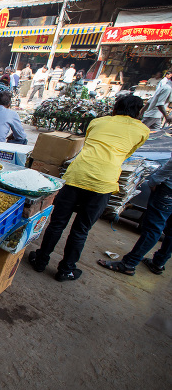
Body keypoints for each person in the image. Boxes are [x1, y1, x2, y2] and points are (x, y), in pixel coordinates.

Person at [28, 95, 149, 282]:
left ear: (115, 108)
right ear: (139, 112)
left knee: (57, 223)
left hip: (77, 175)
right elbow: (126, 153)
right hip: (102, 183)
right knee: (81, 230)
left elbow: (90, 143)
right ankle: (66, 270)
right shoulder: (142, 130)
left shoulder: (97, 122)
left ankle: (40, 261)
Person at [98, 158, 172, 276]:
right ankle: (158, 263)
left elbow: (169, 167)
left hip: (168, 192)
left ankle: (129, 264)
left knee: (153, 228)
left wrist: (153, 181)